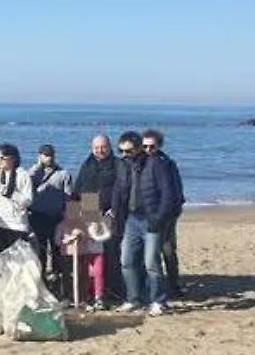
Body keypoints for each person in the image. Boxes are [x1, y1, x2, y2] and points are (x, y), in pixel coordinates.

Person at [111, 131, 177, 316]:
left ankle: (158, 300)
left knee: (151, 263)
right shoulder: (123, 165)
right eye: (121, 151)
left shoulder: (155, 164)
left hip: (151, 220)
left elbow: (168, 194)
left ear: (138, 148)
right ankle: (133, 299)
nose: (124, 154)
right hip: (130, 219)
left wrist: (158, 218)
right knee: (127, 261)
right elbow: (117, 191)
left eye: (128, 151)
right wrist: (116, 215)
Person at [74, 134, 125, 300]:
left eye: (103, 147)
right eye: (96, 147)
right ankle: (93, 290)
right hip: (89, 209)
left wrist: (115, 209)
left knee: (111, 252)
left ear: (109, 147)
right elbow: (78, 188)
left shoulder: (118, 164)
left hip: (109, 212)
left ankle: (114, 288)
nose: (100, 150)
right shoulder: (87, 164)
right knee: (92, 254)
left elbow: (122, 189)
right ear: (92, 148)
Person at [143, 129, 186, 298]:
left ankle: (173, 286)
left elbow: (175, 191)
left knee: (167, 250)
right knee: (150, 252)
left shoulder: (166, 163)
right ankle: (153, 285)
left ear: (158, 146)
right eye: (144, 146)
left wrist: (170, 212)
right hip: (146, 214)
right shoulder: (141, 162)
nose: (147, 150)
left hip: (167, 214)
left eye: (151, 147)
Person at [28, 144, 74, 278]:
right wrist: (38, 165)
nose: (49, 158)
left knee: (56, 248)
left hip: (56, 216)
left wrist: (68, 217)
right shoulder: (35, 173)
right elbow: (26, 181)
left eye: (51, 155)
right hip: (38, 215)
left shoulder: (63, 173)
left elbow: (69, 196)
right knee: (40, 248)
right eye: (45, 155)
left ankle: (57, 276)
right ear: (40, 156)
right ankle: (41, 276)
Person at [0, 144, 33, 257]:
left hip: (16, 224)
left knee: (18, 258)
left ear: (13, 158)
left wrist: (11, 193)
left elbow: (28, 201)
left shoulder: (23, 175)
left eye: (3, 158)